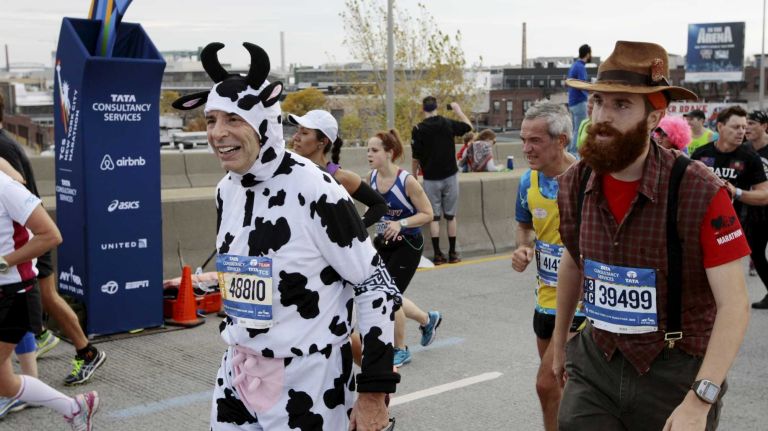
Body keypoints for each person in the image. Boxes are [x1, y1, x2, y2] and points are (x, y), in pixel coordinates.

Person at [172, 42, 400, 431]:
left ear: (264, 122)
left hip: (310, 378)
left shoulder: (316, 189)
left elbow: (375, 285)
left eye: (233, 119)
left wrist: (374, 391)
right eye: (211, 120)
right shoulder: (226, 189)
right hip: (239, 369)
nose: (218, 133)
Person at [553, 41, 751, 430]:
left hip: (676, 370)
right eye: (597, 102)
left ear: (653, 116)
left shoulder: (698, 190)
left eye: (621, 105)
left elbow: (734, 306)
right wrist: (559, 344)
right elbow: (574, 262)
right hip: (597, 361)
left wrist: (700, 399)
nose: (601, 117)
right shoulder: (575, 183)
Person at [0, 94, 106, 385]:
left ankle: (84, 351)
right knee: (34, 301)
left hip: (28, 238)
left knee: (42, 297)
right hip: (25, 235)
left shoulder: (2, 146)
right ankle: (35, 358)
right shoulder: (5, 140)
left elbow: (15, 186)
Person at [0, 169, 98, 429]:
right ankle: (74, 407)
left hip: (14, 294)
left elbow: (51, 235)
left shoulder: (6, 187)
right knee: (6, 383)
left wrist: (3, 262)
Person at [511, 101, 584, 431]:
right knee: (560, 387)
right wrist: (523, 248)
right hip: (545, 301)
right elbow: (524, 225)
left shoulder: (588, 179)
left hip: (583, 307)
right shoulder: (529, 182)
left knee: (547, 382)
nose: (526, 148)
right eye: (524, 140)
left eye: (535, 140)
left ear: (562, 140)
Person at [367, 129, 442, 367]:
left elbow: (428, 214)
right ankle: (427, 319)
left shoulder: (406, 181)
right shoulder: (371, 179)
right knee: (385, 292)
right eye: (368, 150)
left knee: (389, 296)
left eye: (375, 150)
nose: (369, 154)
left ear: (390, 153)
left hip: (408, 244)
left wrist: (401, 223)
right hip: (384, 243)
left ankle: (400, 349)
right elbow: (377, 213)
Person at [287, 109, 387, 228]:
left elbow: (380, 205)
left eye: (304, 133)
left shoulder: (339, 177)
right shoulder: (287, 169)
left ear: (322, 142)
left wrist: (355, 228)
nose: (295, 137)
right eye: (297, 131)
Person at [411, 97, 473, 265]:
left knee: (434, 218)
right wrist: (458, 111)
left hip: (431, 178)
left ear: (423, 109)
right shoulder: (447, 123)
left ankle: (438, 254)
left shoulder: (418, 129)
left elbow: (416, 156)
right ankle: (453, 253)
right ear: (436, 107)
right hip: (450, 176)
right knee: (451, 216)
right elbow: (469, 128)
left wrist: (413, 175)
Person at [738, 110, 768, 308]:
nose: (747, 127)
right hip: (755, 208)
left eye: (752, 123)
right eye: (745, 123)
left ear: (765, 126)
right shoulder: (745, 150)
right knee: (756, 253)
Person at [567, 44, 592, 155]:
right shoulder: (580, 67)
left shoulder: (574, 65)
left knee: (575, 129)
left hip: (572, 102)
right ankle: (574, 154)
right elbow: (582, 85)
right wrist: (590, 95)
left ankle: (570, 151)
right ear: (587, 54)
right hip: (579, 102)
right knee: (580, 128)